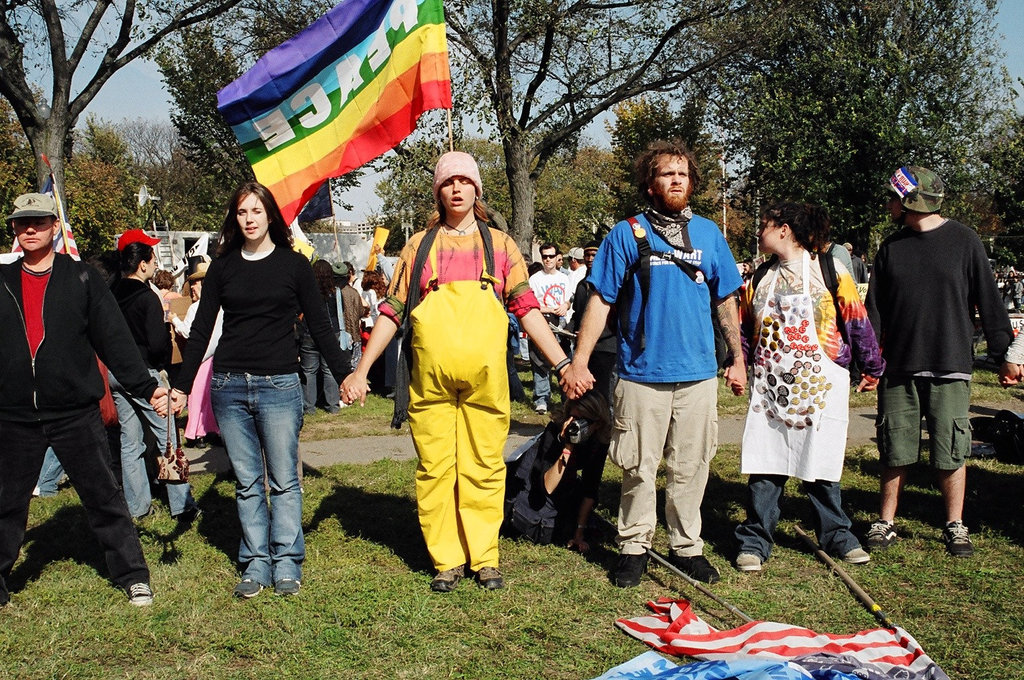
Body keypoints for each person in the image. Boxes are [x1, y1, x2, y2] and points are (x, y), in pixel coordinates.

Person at [340, 151, 570, 592]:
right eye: (448, 182)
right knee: (435, 469)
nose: (457, 188)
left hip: (487, 381)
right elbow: (390, 311)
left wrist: (561, 362)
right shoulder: (418, 246)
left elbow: (527, 309)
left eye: (465, 180)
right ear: (438, 191)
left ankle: (485, 557)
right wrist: (361, 370)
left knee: (484, 465)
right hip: (430, 383)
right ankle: (447, 558)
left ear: (477, 189)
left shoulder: (501, 245)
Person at [562, 139, 746, 587]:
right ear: (650, 183)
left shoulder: (708, 233)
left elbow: (725, 299)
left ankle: (687, 546)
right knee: (638, 466)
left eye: (683, 173)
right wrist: (579, 361)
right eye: (667, 173)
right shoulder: (626, 233)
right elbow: (602, 299)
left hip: (699, 375)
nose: (677, 179)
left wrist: (738, 359)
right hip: (641, 375)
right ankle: (634, 547)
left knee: (691, 465)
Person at [169, 181, 349, 598]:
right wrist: (180, 387)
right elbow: (200, 333)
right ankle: (255, 564)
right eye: (241, 213)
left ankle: (287, 563)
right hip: (229, 386)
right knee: (248, 482)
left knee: (284, 481)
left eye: (256, 211)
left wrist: (344, 375)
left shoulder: (294, 266)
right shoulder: (223, 268)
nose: (249, 219)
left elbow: (320, 326)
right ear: (235, 218)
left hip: (280, 385)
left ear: (271, 215)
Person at [0, 192, 161, 607]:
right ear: (15, 231)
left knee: (105, 497)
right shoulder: (1, 281)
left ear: (55, 227)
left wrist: (146, 388)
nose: (30, 229)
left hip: (75, 412)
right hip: (15, 415)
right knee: (6, 503)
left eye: (38, 221)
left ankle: (132, 575)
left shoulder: (82, 278)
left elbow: (115, 341)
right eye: (22, 223)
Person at [865, 166, 1012, 557]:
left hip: (950, 363)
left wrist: (1004, 354)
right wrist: (867, 360)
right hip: (899, 367)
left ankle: (954, 524)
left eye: (894, 197)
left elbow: (988, 299)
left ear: (910, 201)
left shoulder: (964, 241)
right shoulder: (891, 248)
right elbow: (874, 311)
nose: (888, 204)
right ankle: (886, 520)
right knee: (895, 445)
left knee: (951, 447)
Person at [733, 202, 884, 572]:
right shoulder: (759, 279)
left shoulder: (829, 271)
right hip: (771, 388)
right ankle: (754, 539)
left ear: (783, 230)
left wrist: (872, 366)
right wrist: (737, 364)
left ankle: (837, 535)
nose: (759, 232)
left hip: (819, 386)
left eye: (764, 225)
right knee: (765, 465)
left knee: (820, 461)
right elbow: (744, 327)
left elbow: (856, 320)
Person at [110, 230, 200, 522]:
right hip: (146, 373)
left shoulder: (111, 294)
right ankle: (182, 505)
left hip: (117, 374)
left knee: (130, 441)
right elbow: (158, 343)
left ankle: (137, 506)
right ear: (143, 264)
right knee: (168, 439)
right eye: (151, 256)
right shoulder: (147, 297)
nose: (154, 263)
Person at [503, 391, 610, 551]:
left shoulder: (598, 441)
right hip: (535, 492)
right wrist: (567, 446)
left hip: (565, 489)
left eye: (583, 421)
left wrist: (579, 533)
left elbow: (590, 488)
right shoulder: (554, 432)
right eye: (572, 417)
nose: (575, 424)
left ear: (598, 423)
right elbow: (547, 486)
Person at [169, 261, 222, 445]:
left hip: (201, 358)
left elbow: (188, 332)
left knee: (198, 397)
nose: (193, 286)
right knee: (210, 396)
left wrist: (174, 320)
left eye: (197, 282)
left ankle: (198, 432)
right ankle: (211, 430)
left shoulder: (196, 307)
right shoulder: (222, 305)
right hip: (217, 356)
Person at [529, 243, 572, 414]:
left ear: (557, 257)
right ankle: (542, 399)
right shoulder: (535, 279)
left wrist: (566, 305)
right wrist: (547, 309)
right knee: (540, 362)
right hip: (543, 321)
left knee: (564, 360)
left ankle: (567, 398)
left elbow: (569, 298)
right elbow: (531, 304)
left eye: (551, 256)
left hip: (561, 323)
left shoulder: (564, 278)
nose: (548, 260)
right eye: (545, 256)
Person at [299, 259, 344, 414]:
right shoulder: (335, 292)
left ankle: (308, 407)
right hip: (332, 331)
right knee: (329, 370)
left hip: (309, 332)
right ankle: (333, 405)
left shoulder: (307, 291)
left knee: (309, 371)